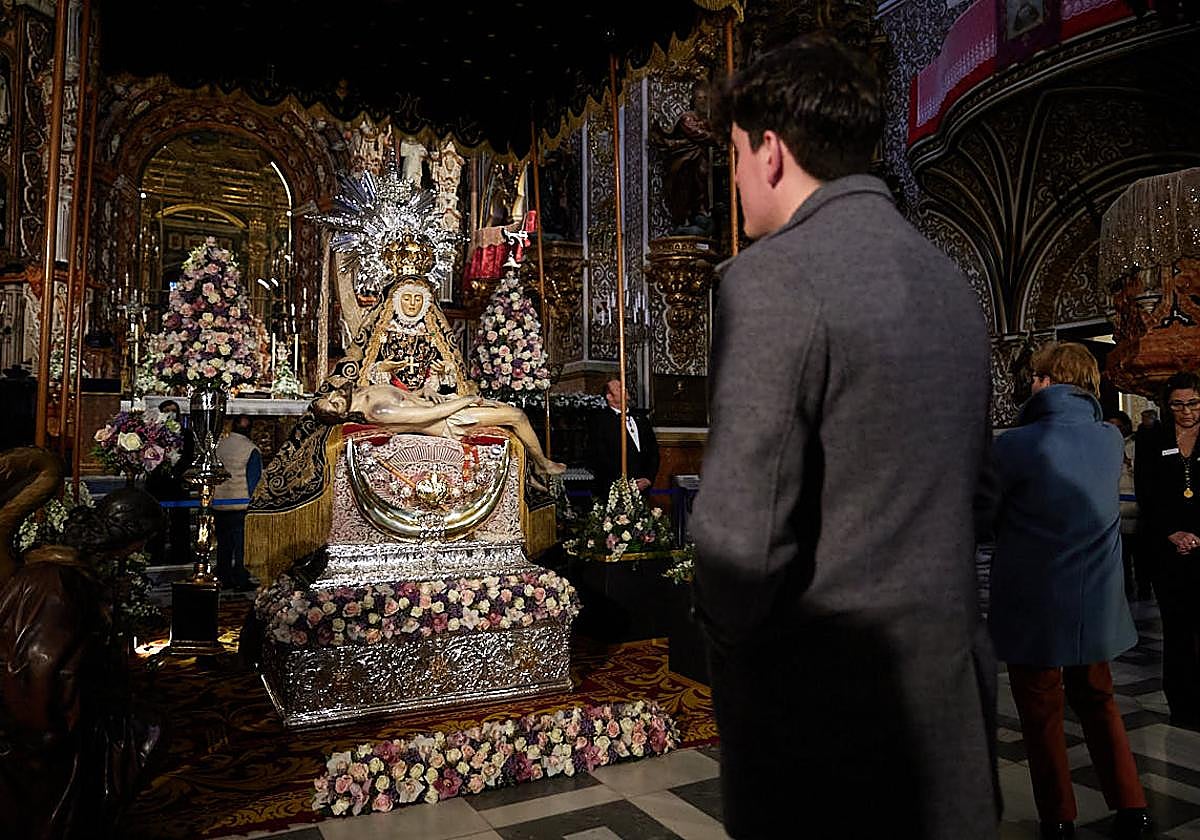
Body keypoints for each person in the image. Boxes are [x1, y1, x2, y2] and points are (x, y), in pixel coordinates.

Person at [689, 35, 998, 839]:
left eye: (732, 155)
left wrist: (728, 644)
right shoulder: (948, 281)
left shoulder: (773, 278)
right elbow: (981, 492)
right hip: (947, 709)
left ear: (770, 152)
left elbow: (740, 540)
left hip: (825, 727)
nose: (733, 178)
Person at [989, 343, 1150, 839]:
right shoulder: (1108, 439)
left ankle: (1059, 817)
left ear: (1048, 380)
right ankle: (1132, 805)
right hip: (1093, 596)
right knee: (1099, 698)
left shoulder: (1015, 444)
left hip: (1034, 596)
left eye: (1036, 376)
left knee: (1041, 710)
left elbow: (984, 514)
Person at [0, 483, 165, 839]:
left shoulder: (66, 572)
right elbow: (39, 670)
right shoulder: (57, 585)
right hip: (42, 723)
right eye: (142, 541)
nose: (140, 550)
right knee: (143, 732)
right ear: (128, 537)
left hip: (52, 706)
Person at [311, 382, 566, 477]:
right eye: (333, 404)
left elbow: (409, 397)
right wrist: (466, 400)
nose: (335, 396)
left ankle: (533, 466)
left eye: (329, 396)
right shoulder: (378, 412)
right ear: (341, 415)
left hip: (445, 405)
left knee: (505, 409)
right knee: (517, 416)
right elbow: (430, 416)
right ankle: (542, 464)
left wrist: (426, 390)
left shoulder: (364, 391)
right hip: (450, 421)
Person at [1135, 371, 1200, 728]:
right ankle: (1182, 705)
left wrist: (1198, 535)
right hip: (1166, 549)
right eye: (1178, 405)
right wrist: (1172, 532)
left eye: (1193, 403)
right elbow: (1147, 492)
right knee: (1176, 629)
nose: (1186, 412)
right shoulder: (1151, 439)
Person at [586, 380, 660, 498]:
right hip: (613, 490)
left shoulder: (641, 419)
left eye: (624, 386)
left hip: (642, 488)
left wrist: (648, 478)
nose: (624, 389)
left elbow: (653, 451)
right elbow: (598, 456)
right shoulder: (600, 422)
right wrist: (622, 483)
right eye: (619, 388)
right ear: (609, 397)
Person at [213, 415, 262, 591]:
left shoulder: (220, 445)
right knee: (242, 545)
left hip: (219, 501)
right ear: (250, 430)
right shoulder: (251, 449)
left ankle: (224, 577)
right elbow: (253, 479)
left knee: (224, 544)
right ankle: (241, 578)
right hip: (241, 503)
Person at [1107, 409, 1140, 597]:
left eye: (1118, 427)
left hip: (1136, 505)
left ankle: (1143, 587)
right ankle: (1126, 588)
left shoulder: (1136, 445)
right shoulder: (1102, 446)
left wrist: (1128, 462)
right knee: (1121, 556)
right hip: (1114, 507)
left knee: (1140, 554)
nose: (1115, 431)